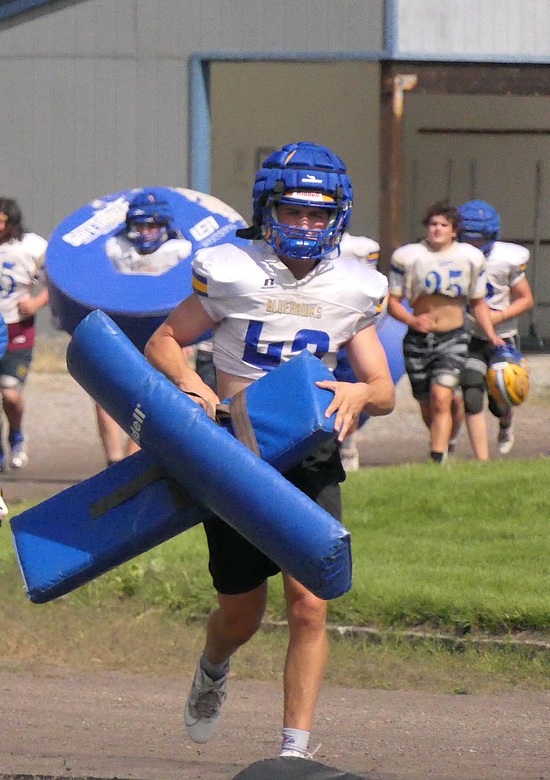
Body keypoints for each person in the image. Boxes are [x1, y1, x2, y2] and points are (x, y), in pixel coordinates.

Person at [144, 142, 396, 758]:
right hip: (237, 452)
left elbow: (385, 390)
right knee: (240, 615)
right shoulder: (232, 269)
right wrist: (195, 386)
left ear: (339, 216)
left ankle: (294, 750)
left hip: (309, 457)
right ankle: (213, 666)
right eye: (294, 211)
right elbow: (164, 342)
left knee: (310, 603)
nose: (306, 225)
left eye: (320, 213)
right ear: (267, 210)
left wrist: (361, 393)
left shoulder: (357, 286)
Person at [386, 201, 503, 464]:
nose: (437, 229)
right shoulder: (407, 256)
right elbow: (392, 302)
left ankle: (437, 460)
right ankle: (446, 441)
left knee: (442, 396)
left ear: (454, 231)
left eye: (444, 225)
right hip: (418, 338)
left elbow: (477, 302)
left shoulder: (471, 258)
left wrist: (491, 333)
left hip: (453, 336)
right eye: (433, 224)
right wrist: (412, 321)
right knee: (428, 403)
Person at [98, 189, 193, 465]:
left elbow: (187, 296)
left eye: (153, 225)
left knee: (151, 396)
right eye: (141, 225)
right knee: (104, 392)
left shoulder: (179, 251)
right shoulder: (116, 248)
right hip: (124, 325)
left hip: (164, 329)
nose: (147, 231)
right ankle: (112, 461)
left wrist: (184, 340)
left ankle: (130, 463)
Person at [454, 201, 533, 459]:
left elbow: (526, 299)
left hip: (504, 336)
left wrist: (499, 316)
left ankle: (506, 423)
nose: (476, 246)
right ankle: (482, 459)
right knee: (471, 392)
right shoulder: (451, 255)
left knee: (500, 399)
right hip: (470, 336)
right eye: (471, 239)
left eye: (481, 239)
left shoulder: (506, 258)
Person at [0, 197, 49, 470]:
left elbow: (55, 280)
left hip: (17, 329)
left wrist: (35, 303)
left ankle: (17, 434)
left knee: (9, 394)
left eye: (4, 222)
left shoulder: (31, 245)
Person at [334, 231, 382, 473]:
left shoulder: (361, 248)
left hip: (346, 327)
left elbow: (368, 294)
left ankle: (347, 444)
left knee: (347, 388)